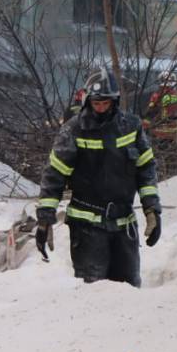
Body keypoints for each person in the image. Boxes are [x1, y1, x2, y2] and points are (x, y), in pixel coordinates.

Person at [36, 68, 161, 288]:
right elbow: (54, 176)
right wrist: (45, 219)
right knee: (93, 295)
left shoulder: (131, 127)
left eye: (106, 103)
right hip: (87, 229)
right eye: (96, 103)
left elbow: (146, 169)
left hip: (124, 227)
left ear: (115, 101)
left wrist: (152, 210)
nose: (101, 108)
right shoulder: (74, 130)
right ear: (87, 101)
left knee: (129, 292)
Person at [144, 71, 177, 143]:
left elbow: (150, 110)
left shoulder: (157, 95)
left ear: (160, 81)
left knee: (143, 123)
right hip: (175, 128)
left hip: (161, 128)